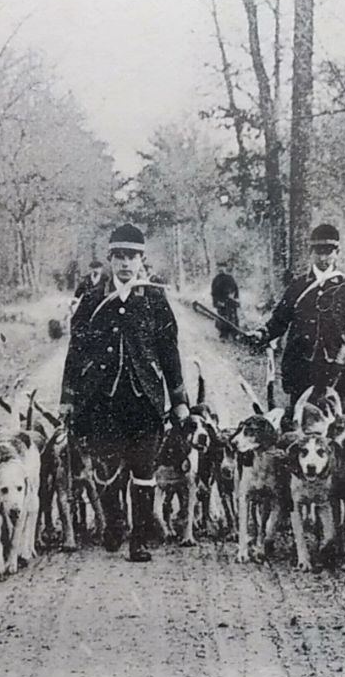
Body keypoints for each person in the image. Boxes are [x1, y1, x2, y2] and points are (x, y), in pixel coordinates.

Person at [61, 224, 189, 562]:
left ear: (142, 259)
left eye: (132, 256)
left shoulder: (155, 300)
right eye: (119, 256)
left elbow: (170, 352)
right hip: (101, 401)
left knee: (144, 471)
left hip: (144, 399)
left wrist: (179, 401)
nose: (125, 264)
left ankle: (140, 540)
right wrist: (68, 398)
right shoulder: (91, 300)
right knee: (106, 468)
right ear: (110, 259)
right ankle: (115, 521)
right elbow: (76, 351)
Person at [247, 223, 345, 408]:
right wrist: (262, 334)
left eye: (328, 252)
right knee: (299, 420)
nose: (323, 258)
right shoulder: (298, 286)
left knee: (332, 423)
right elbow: (280, 320)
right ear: (311, 252)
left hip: (336, 368)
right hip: (301, 367)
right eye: (318, 252)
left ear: (337, 252)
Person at [210, 263, 241, 340]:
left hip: (230, 302)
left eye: (223, 268)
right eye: (219, 268)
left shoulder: (230, 278)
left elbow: (236, 289)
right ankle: (224, 334)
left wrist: (236, 299)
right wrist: (216, 302)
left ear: (225, 268)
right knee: (222, 318)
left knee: (233, 318)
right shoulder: (216, 280)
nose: (221, 269)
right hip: (221, 303)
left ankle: (235, 334)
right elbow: (214, 293)